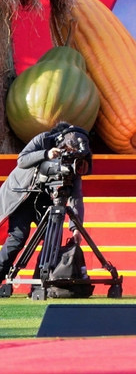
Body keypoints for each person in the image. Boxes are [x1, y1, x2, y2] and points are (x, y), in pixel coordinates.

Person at [0, 122, 92, 297]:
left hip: (46, 199)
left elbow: (76, 196)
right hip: (23, 195)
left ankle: (39, 285)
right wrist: (46, 154)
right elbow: (22, 160)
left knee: (52, 241)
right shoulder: (43, 140)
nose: (69, 153)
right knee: (17, 239)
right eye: (67, 149)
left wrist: (76, 228)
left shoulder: (75, 161)